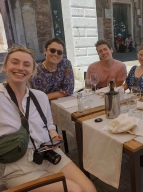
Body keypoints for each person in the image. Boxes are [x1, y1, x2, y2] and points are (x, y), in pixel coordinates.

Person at [0, 45, 96, 192]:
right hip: (17, 166)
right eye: (15, 62)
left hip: (48, 153)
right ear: (5, 66)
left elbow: (49, 125)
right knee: (73, 189)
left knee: (89, 189)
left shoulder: (40, 97)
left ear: (32, 71)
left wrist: (53, 137)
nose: (20, 68)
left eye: (26, 65)